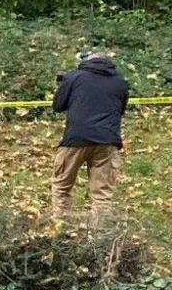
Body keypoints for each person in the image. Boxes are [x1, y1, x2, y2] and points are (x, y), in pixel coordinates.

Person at [51, 50, 130, 221]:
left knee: (61, 187)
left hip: (75, 139)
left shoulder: (74, 77)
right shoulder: (120, 82)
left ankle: (60, 228)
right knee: (102, 195)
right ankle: (100, 237)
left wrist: (62, 86)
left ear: (87, 62)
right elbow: (121, 110)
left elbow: (57, 106)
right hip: (108, 141)